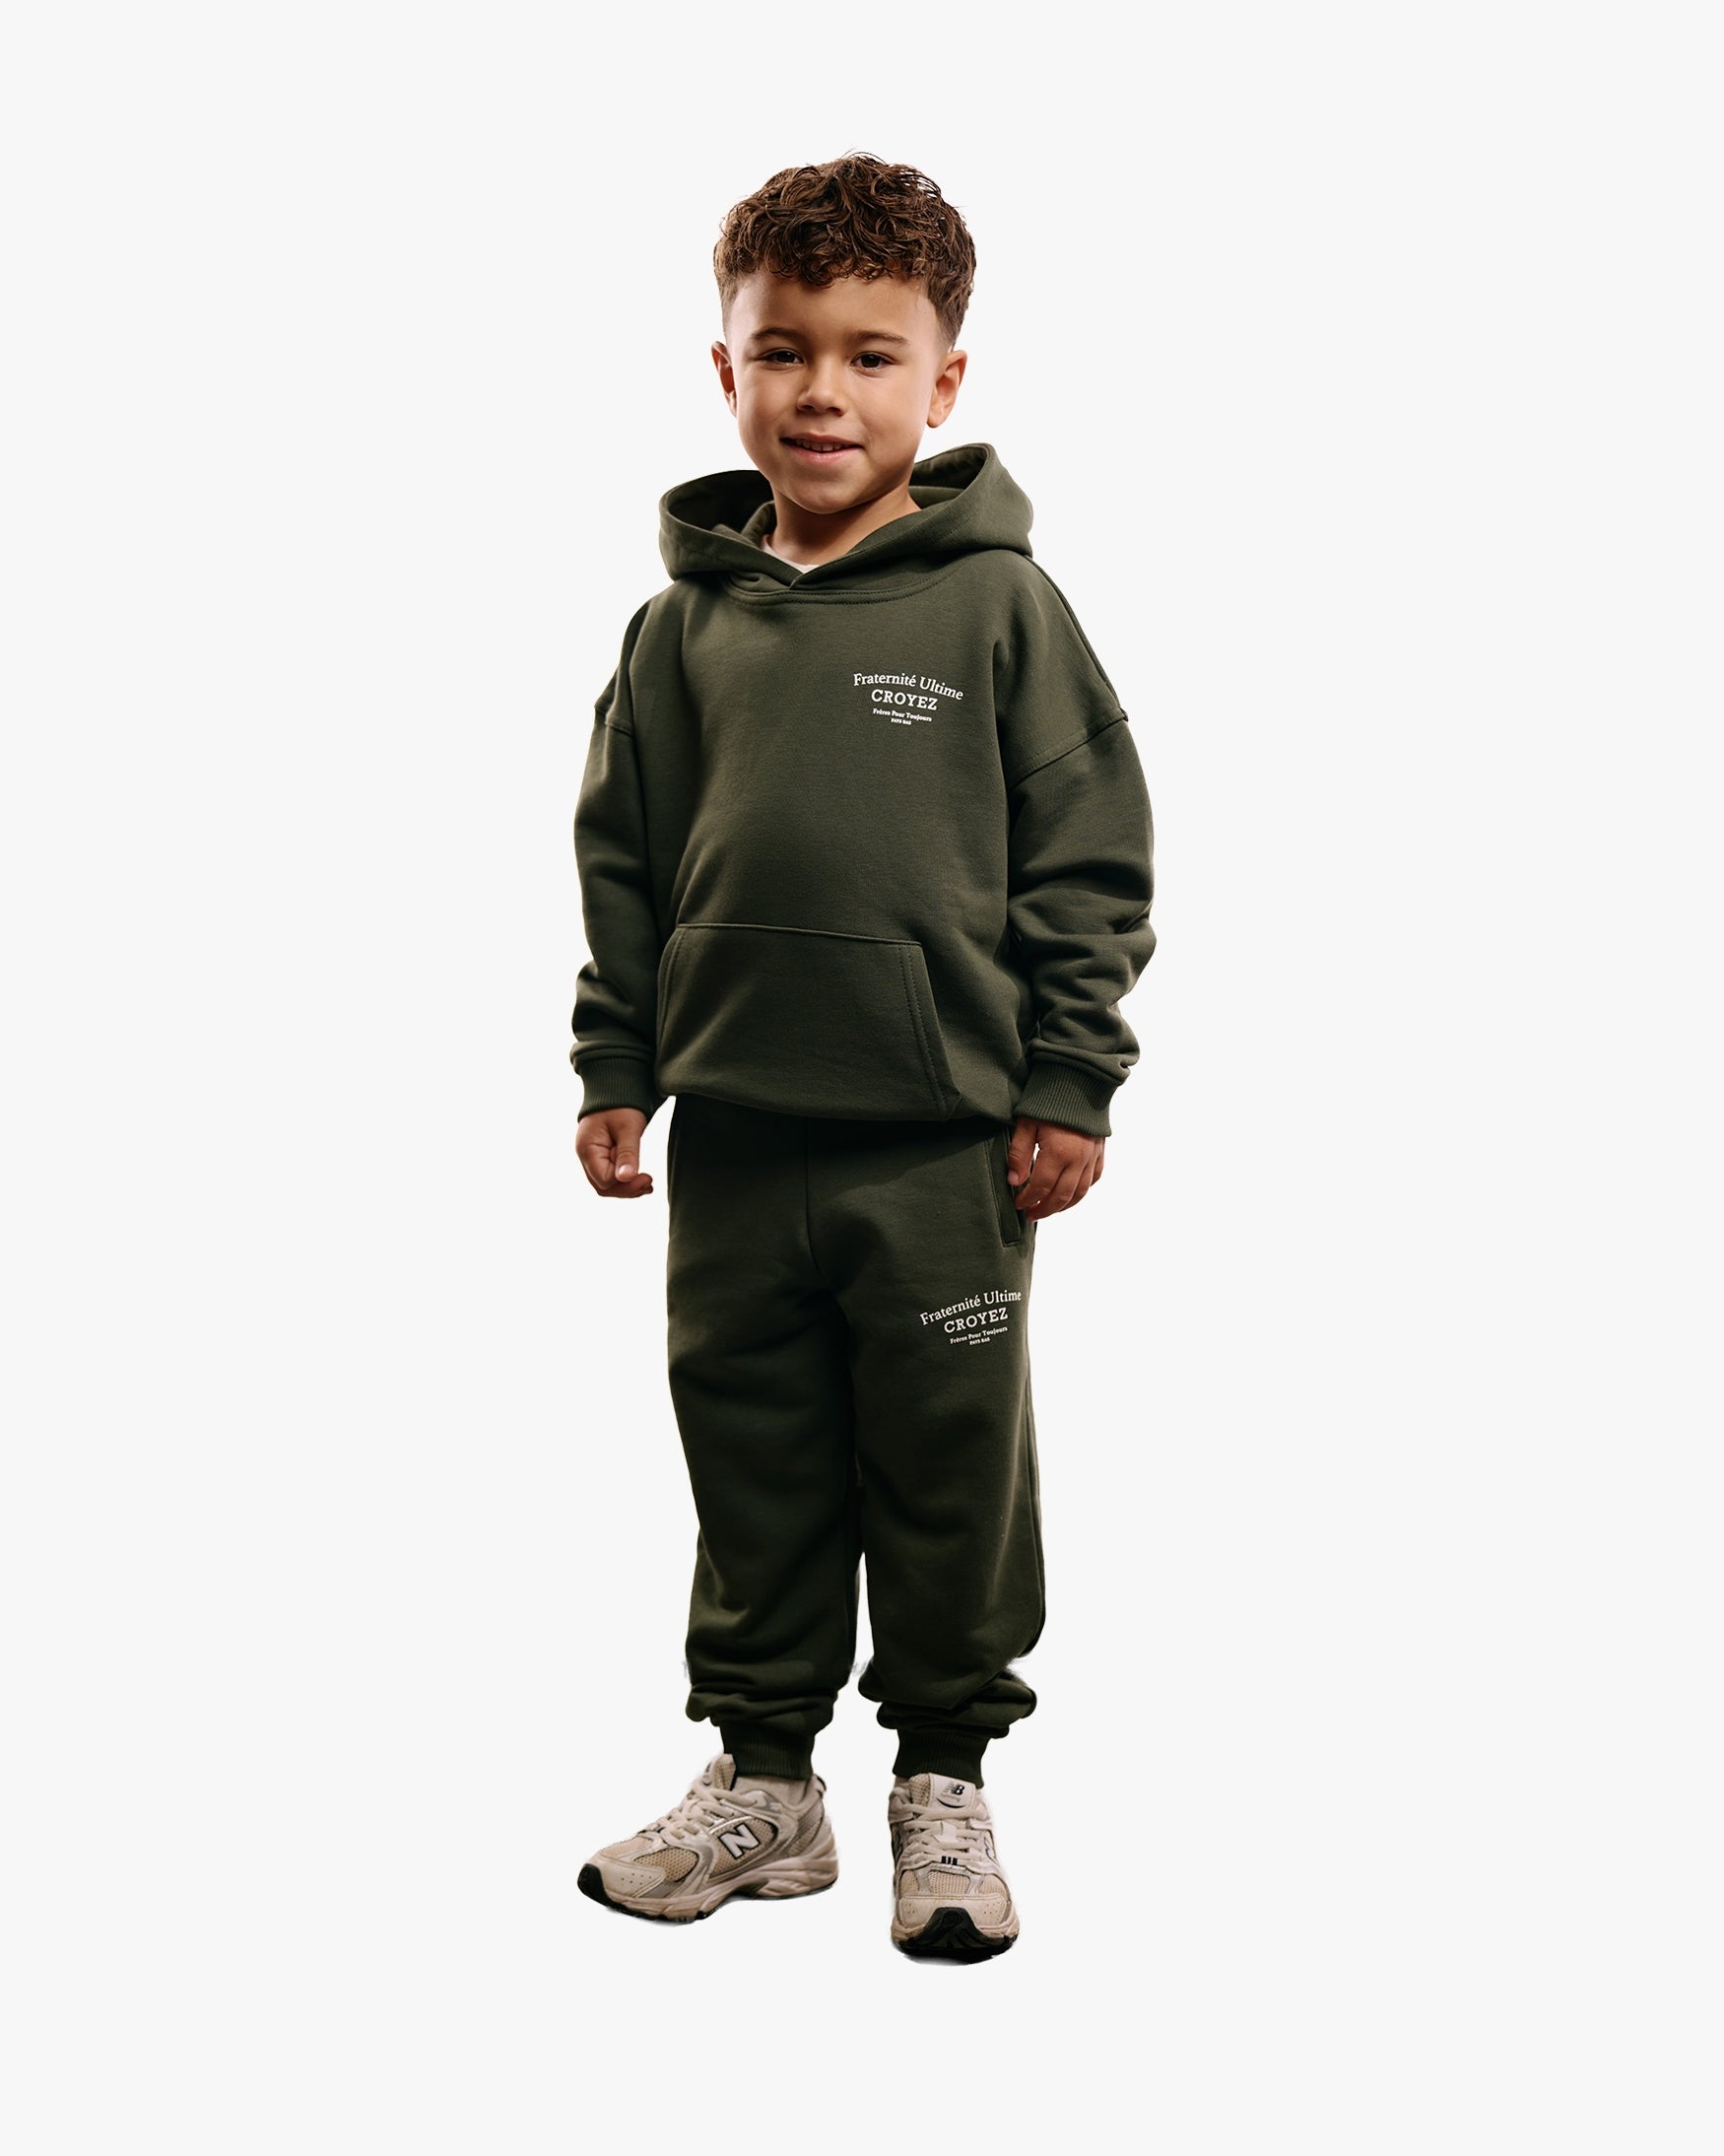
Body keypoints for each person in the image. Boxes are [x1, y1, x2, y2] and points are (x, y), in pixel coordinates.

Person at [569, 152, 1156, 1963]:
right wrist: (615, 1063)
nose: (822, 391)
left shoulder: (1001, 613)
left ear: (942, 382)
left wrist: (1067, 1081)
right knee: (751, 1457)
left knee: (945, 1466)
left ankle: (944, 1781)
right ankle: (765, 1784)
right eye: (783, 350)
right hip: (741, 1136)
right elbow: (623, 863)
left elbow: (1088, 861)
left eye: (870, 355)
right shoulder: (680, 631)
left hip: (943, 1148)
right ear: (726, 368)